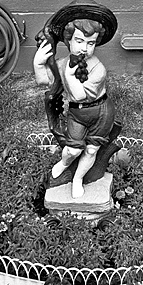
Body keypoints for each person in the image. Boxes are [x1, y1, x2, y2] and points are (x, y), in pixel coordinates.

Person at [34, 11, 116, 198]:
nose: (85, 48)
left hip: (101, 111)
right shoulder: (63, 64)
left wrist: (70, 76)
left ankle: (78, 179)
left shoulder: (98, 69)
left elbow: (79, 95)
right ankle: (63, 164)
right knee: (72, 149)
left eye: (91, 43)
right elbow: (44, 81)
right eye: (79, 41)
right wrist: (39, 64)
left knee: (91, 149)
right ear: (69, 41)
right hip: (77, 114)